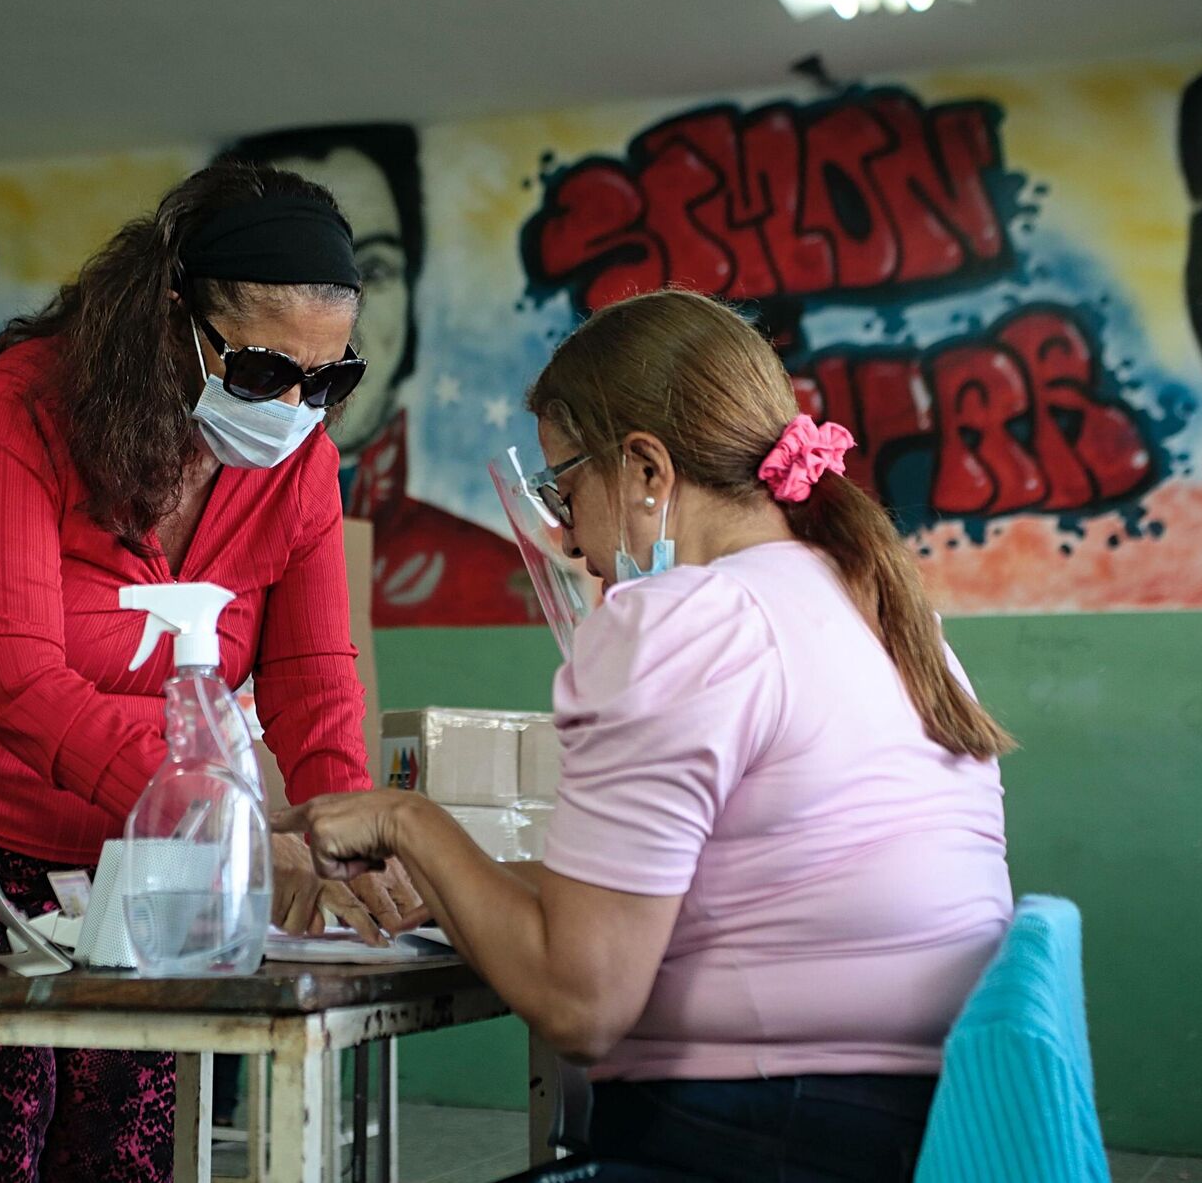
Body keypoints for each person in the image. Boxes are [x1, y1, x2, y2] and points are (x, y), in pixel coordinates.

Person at [277, 289, 1015, 1182]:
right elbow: (735, 880)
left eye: (566, 485)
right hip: (914, 1132)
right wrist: (463, 882)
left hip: (755, 1136)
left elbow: (580, 1002)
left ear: (647, 471)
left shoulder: (678, 621)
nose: (566, 531)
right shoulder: (881, 610)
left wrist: (406, 821)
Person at [0, 162, 420, 1183]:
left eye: (327, 380)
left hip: (121, 855)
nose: (297, 407)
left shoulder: (294, 455)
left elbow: (314, 670)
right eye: (261, 372)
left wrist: (349, 826)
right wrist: (230, 816)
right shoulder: (22, 410)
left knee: (122, 1154)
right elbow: (14, 681)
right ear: (175, 317)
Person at [224, 124, 536, 626]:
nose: (337, 315)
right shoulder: (157, 542)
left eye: (375, 269)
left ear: (413, 300)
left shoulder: (497, 584)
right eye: (289, 279)